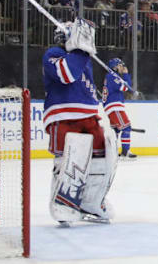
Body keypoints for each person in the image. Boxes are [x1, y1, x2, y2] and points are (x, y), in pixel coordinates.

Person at [43, 19, 116, 226]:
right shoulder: (52, 54)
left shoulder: (83, 58)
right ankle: (63, 202)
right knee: (67, 158)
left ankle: (92, 202)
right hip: (63, 115)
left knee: (102, 157)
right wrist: (81, 50)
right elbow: (66, 74)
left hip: (89, 115)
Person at [102, 58, 136, 159]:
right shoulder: (113, 76)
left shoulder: (110, 76)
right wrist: (126, 75)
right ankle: (125, 152)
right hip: (115, 107)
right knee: (126, 127)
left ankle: (113, 152)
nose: (123, 67)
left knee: (116, 130)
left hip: (111, 107)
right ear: (115, 67)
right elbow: (126, 87)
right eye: (121, 65)